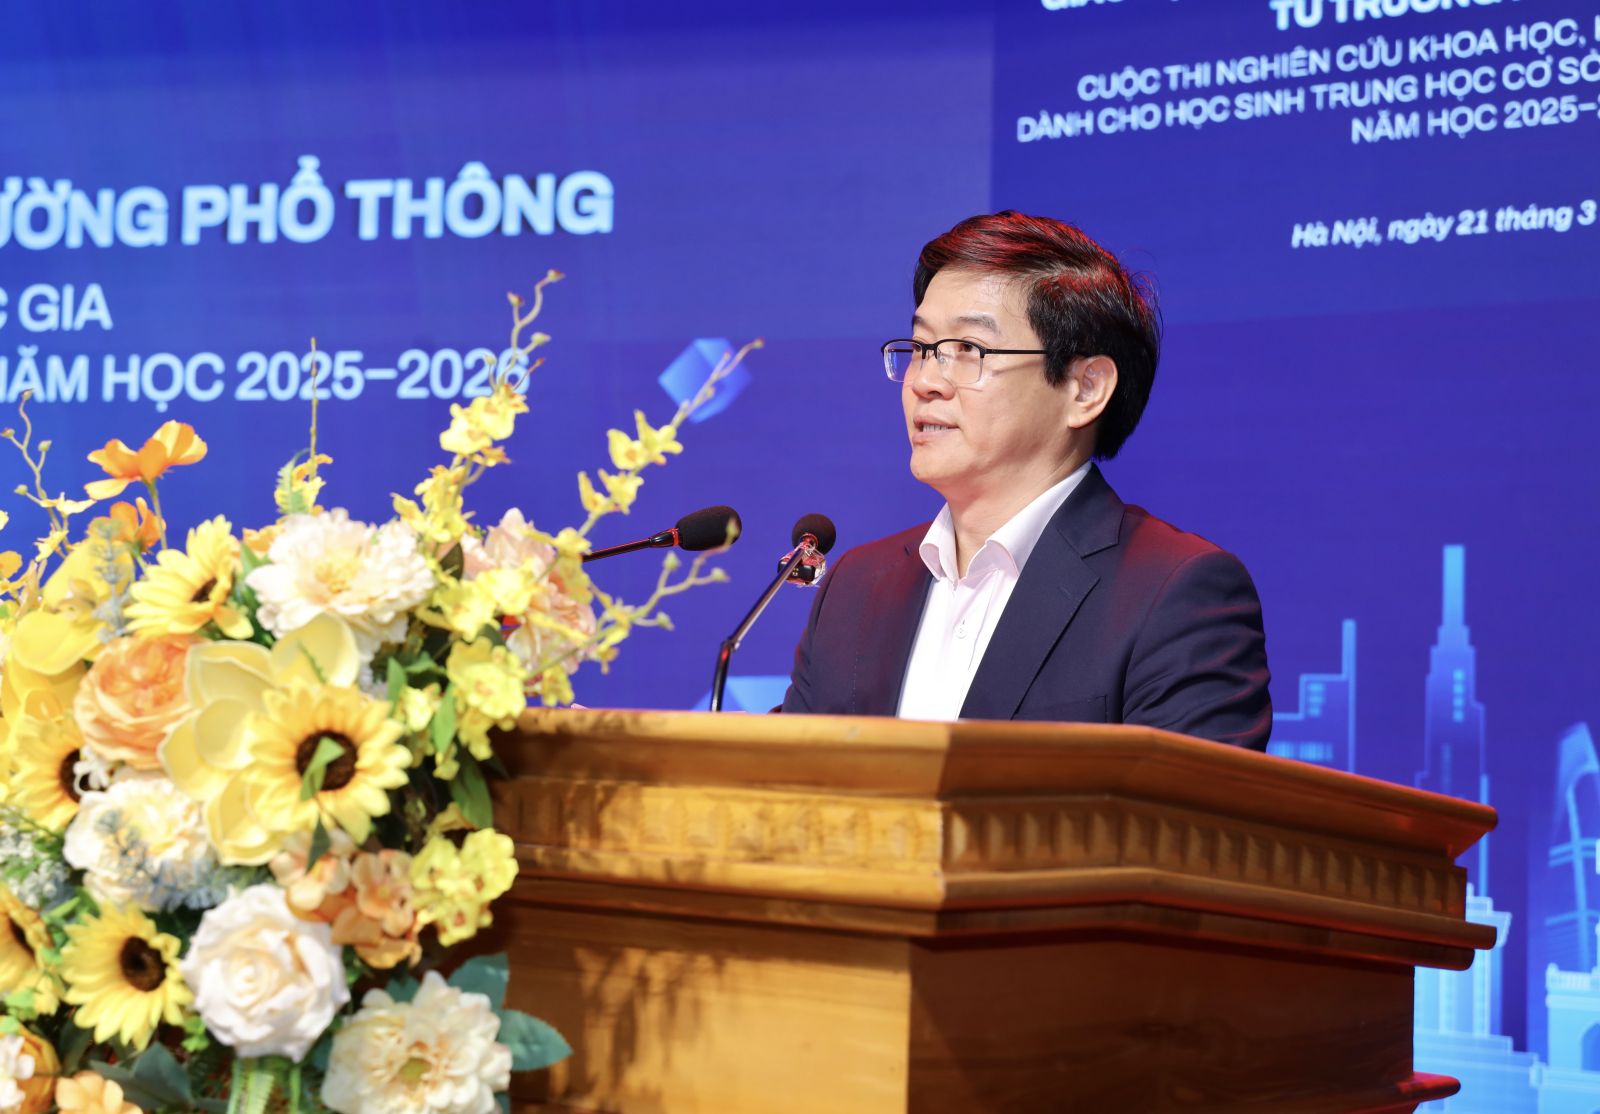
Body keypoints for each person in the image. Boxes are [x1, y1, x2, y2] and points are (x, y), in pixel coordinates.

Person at [780, 211, 1271, 749]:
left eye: (969, 350)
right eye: (921, 349)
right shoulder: (857, 586)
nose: (925, 382)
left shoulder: (1173, 592)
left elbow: (1182, 804)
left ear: (1085, 389)